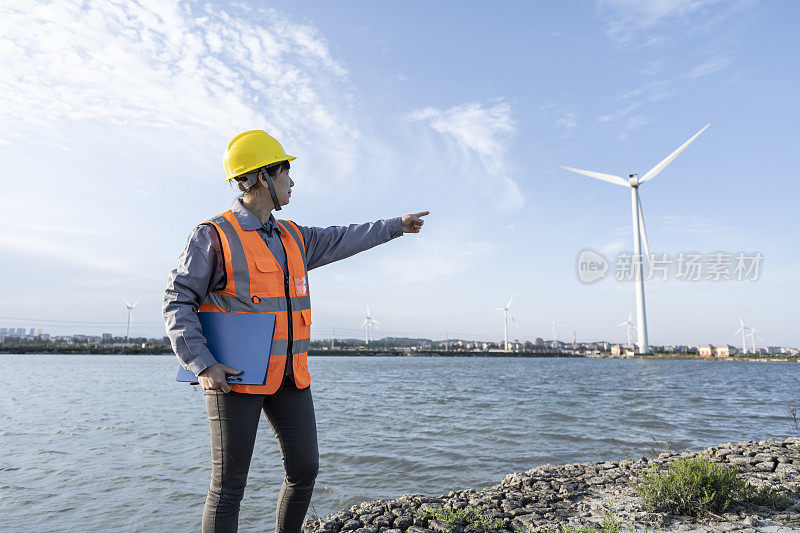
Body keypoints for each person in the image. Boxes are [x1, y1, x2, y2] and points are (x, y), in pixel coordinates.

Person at [162, 129, 428, 533]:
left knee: (304, 469)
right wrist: (202, 364)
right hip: (234, 380)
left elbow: (344, 237)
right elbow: (177, 300)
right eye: (286, 172)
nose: (292, 182)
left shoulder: (293, 237)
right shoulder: (213, 235)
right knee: (228, 487)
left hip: (289, 375)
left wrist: (396, 226)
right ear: (262, 177)